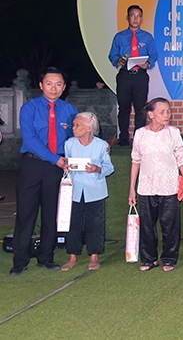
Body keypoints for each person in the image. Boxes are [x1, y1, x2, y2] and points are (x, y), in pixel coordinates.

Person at [11, 67, 78, 276]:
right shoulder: (29, 108)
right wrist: (55, 159)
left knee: (51, 213)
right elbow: (30, 140)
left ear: (64, 87)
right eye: (49, 83)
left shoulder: (69, 110)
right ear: (41, 85)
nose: (53, 88)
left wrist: (97, 145)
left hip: (56, 169)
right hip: (33, 164)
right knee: (26, 213)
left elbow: (75, 137)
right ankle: (20, 260)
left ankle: (46, 257)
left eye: (58, 84)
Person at [129, 97, 183, 272]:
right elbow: (136, 161)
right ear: (151, 114)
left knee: (170, 226)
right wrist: (132, 190)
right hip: (146, 187)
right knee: (147, 226)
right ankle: (149, 259)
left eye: (168, 111)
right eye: (162, 112)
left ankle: (169, 259)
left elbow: (181, 159)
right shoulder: (140, 133)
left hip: (170, 186)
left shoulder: (173, 132)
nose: (166, 115)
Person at [61, 112, 114, 271]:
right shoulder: (69, 144)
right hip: (74, 189)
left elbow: (109, 167)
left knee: (95, 223)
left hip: (95, 190)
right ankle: (72, 257)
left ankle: (94, 256)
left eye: (77, 125)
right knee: (73, 223)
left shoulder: (101, 145)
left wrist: (97, 169)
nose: (73, 128)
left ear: (89, 128)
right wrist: (66, 167)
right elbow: (67, 162)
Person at [108, 5, 158, 147]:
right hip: (124, 75)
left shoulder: (147, 37)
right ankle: (123, 137)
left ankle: (139, 138)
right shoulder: (119, 37)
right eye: (132, 15)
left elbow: (154, 54)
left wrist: (147, 63)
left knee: (140, 108)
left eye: (138, 16)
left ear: (141, 18)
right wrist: (117, 60)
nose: (135, 19)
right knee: (124, 108)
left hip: (140, 76)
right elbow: (112, 54)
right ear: (127, 17)